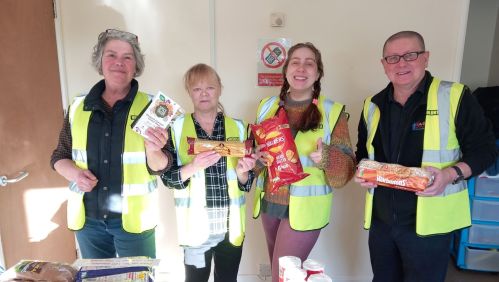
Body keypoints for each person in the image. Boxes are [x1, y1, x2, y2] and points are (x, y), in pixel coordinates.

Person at [354, 31, 498, 282]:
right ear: (383, 65)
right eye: (393, 58)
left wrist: (449, 175)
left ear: (425, 58)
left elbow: (486, 150)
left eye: (410, 55)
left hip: (431, 227)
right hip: (382, 223)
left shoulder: (454, 96)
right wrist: (362, 171)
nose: (401, 63)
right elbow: (363, 155)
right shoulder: (372, 105)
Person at [50, 29, 171, 258]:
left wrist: (154, 150)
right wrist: (75, 174)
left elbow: (163, 167)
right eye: (111, 55)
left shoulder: (154, 107)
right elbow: (59, 156)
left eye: (127, 57)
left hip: (134, 222)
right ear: (100, 61)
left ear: (136, 65)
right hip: (89, 222)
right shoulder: (78, 106)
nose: (119, 63)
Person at [253, 42, 356, 282]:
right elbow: (254, 157)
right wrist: (256, 159)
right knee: (280, 274)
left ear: (318, 73)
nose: (301, 68)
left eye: (309, 63)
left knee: (284, 277)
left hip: (306, 210)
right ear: (286, 69)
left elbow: (346, 173)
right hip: (270, 204)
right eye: (295, 62)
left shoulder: (332, 111)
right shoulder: (266, 107)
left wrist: (327, 158)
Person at [160, 63, 257, 282]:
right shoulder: (175, 128)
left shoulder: (239, 128)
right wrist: (193, 167)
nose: (204, 94)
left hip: (230, 229)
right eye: (196, 89)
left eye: (210, 88)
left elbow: (246, 182)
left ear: (220, 89)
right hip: (196, 230)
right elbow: (168, 179)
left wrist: (243, 171)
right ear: (189, 92)